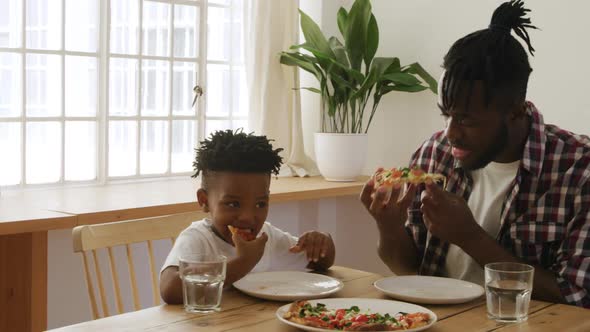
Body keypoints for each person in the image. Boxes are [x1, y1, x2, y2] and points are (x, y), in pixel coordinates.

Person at [360, 0, 589, 308]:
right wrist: (387, 226)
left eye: (466, 119)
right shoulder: (434, 154)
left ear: (516, 111)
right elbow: (409, 269)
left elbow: (575, 297)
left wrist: (470, 237)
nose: (451, 132)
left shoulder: (578, 170)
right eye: (446, 114)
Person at [160, 130, 335, 304]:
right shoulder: (198, 239)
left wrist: (322, 243)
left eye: (260, 204)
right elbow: (169, 289)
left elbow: (319, 263)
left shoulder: (267, 239)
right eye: (233, 204)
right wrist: (243, 262)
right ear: (204, 201)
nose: (247, 217)